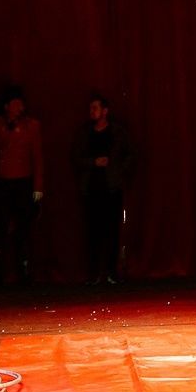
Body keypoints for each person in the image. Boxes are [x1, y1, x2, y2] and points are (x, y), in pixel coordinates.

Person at [70, 94, 135, 285]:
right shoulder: (85, 134)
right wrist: (94, 162)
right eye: (90, 108)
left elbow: (130, 155)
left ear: (105, 111)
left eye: (95, 108)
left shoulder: (118, 132)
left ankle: (111, 272)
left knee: (112, 231)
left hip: (112, 188)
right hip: (91, 189)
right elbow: (75, 158)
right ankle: (93, 273)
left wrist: (118, 170)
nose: (92, 112)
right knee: (92, 232)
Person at [0, 87, 43, 284]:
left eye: (21, 104)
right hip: (1, 181)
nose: (20, 108)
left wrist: (38, 187)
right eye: (16, 104)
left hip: (23, 181)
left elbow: (37, 156)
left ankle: (23, 269)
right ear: (6, 106)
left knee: (23, 227)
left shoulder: (32, 126)